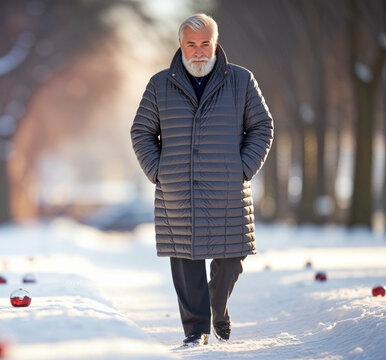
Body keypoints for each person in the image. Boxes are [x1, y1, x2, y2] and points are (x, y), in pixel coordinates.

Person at [130, 13, 273, 347]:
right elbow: (141, 132)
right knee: (186, 262)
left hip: (227, 188)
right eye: (191, 44)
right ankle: (196, 330)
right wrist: (158, 172)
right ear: (180, 45)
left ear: (215, 43)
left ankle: (217, 307)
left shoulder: (241, 80)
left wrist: (243, 168)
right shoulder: (159, 85)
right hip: (178, 190)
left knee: (230, 260)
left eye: (205, 44)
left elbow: (262, 127)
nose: (198, 52)